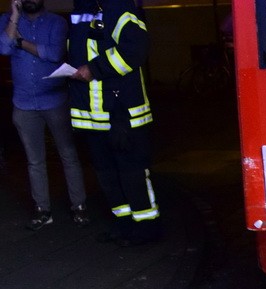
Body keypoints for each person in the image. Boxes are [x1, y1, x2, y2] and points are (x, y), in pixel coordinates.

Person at [68, 0, 160, 246]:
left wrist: (95, 69)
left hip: (122, 114)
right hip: (92, 117)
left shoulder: (118, 7)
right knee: (107, 176)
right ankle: (124, 225)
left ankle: (146, 228)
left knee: (132, 174)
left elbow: (136, 49)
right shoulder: (80, 11)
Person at [1, 0, 89, 231]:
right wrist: (14, 16)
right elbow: (2, 47)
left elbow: (53, 53)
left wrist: (19, 41)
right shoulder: (7, 20)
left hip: (55, 100)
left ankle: (79, 206)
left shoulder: (56, 22)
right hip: (24, 103)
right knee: (34, 161)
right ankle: (43, 210)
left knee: (68, 155)